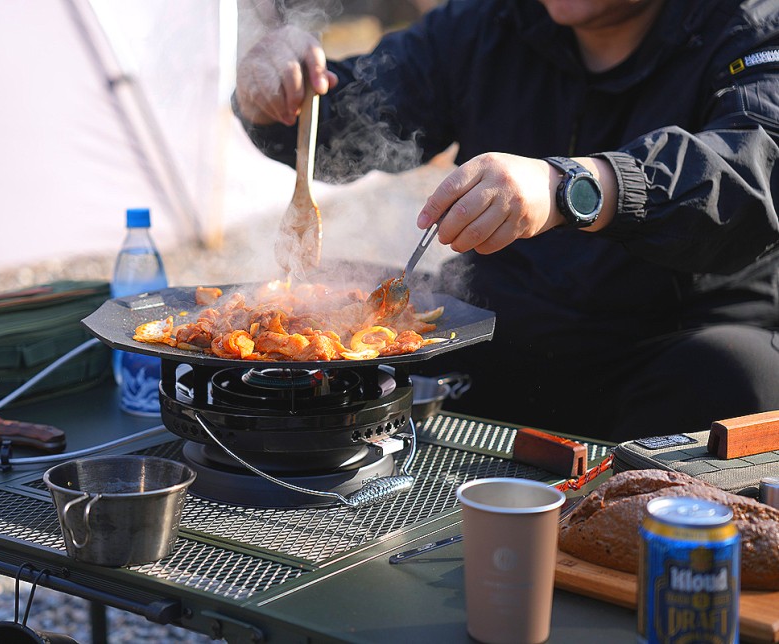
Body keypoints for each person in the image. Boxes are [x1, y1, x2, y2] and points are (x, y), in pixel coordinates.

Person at [232, 0, 779, 442]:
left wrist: (573, 188)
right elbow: (350, 123)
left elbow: (750, 171)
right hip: (504, 329)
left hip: (667, 347)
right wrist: (276, 91)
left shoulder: (751, 27)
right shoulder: (488, 21)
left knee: (739, 377)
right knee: (317, 308)